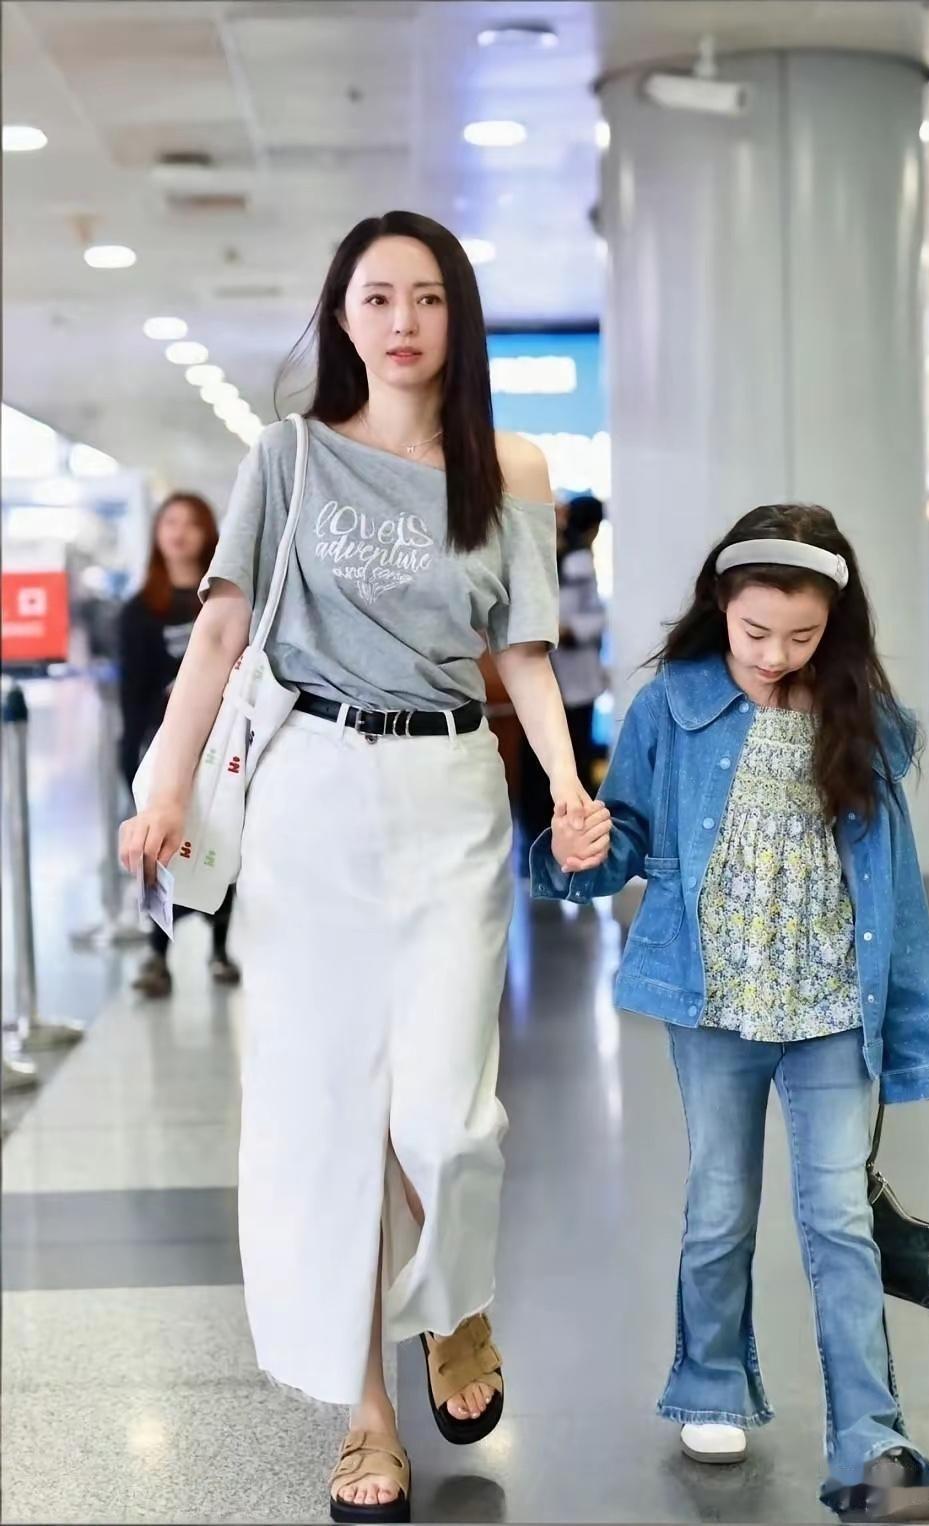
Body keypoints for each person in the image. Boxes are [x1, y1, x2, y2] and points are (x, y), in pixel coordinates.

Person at [119, 210, 597, 1525]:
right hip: (311, 794)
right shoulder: (286, 456)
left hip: (451, 791)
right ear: (342, 314)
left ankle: (456, 1295)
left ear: (458, 318)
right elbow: (221, 633)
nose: (402, 321)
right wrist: (165, 785)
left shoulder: (509, 466)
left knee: (446, 1112)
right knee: (330, 1115)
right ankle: (366, 1412)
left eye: (428, 297)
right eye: (377, 296)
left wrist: (568, 787)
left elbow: (525, 651)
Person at [535, 504, 929, 1525]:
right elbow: (625, 838)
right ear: (719, 604)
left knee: (840, 1217)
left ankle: (872, 1436)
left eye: (801, 636)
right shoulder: (669, 706)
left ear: (834, 625)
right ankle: (711, 1382)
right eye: (755, 630)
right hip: (714, 997)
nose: (773, 654)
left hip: (831, 1002)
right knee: (719, 1202)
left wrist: (911, 1044)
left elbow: (897, 897)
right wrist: (580, 852)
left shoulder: (864, 719)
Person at [118, 493, 240, 997]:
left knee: (221, 840)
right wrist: (128, 755)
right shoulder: (140, 610)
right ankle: (158, 953)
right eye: (170, 522)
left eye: (191, 523)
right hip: (159, 747)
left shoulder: (227, 598)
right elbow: (131, 694)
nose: (179, 532)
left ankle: (221, 948)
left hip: (224, 745)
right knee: (159, 847)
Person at [518, 494, 607, 869]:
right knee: (536, 768)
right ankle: (536, 843)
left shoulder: (577, 561)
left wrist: (566, 631)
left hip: (575, 681)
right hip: (537, 682)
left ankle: (573, 841)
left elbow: (594, 618)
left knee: (574, 763)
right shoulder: (530, 557)